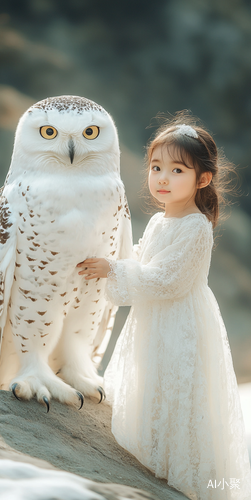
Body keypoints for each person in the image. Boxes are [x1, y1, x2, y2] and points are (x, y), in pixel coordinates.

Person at [76, 113, 251, 499]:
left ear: (202, 179)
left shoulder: (196, 226)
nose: (163, 178)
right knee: (150, 381)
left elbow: (169, 280)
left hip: (181, 323)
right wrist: (112, 261)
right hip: (153, 320)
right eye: (156, 167)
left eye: (177, 170)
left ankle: (178, 473)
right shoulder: (159, 221)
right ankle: (149, 458)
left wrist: (117, 269)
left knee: (178, 392)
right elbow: (142, 257)